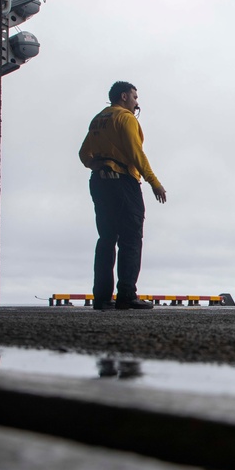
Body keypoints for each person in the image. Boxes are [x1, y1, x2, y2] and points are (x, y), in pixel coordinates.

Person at [79, 81, 167, 311]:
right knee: (131, 238)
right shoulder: (125, 118)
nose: (137, 102)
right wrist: (154, 183)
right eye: (135, 97)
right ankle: (126, 294)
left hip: (99, 182)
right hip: (123, 182)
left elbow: (83, 153)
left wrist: (95, 163)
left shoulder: (99, 119)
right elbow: (135, 153)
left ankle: (101, 297)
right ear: (124, 96)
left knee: (106, 239)